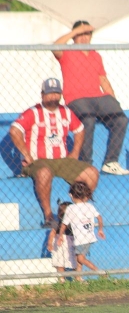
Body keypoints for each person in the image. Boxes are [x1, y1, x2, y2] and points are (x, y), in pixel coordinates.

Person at [10, 78, 99, 229]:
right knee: (44, 173)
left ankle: (79, 213)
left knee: (92, 173)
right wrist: (26, 154)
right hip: (38, 161)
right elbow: (14, 130)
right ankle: (49, 216)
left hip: (62, 160)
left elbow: (79, 130)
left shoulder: (66, 112)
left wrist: (75, 152)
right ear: (42, 94)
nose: (53, 97)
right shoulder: (33, 112)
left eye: (56, 93)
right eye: (50, 93)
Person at [52, 21, 129, 174]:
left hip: (98, 97)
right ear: (74, 37)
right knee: (88, 120)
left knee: (121, 119)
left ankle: (110, 162)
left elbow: (103, 80)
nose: (84, 37)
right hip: (76, 98)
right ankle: (86, 164)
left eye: (87, 34)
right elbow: (55, 47)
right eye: (80, 34)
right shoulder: (66, 52)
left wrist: (114, 101)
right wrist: (75, 31)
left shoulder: (96, 55)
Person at [58, 181, 104, 282]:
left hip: (81, 239)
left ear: (71, 195)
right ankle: (78, 277)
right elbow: (99, 217)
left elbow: (64, 224)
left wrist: (60, 235)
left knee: (80, 259)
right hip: (89, 237)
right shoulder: (89, 206)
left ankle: (100, 272)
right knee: (78, 257)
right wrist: (100, 229)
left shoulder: (70, 208)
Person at [47, 201, 76, 280]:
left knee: (73, 261)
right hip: (60, 243)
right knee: (60, 262)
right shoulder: (57, 221)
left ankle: (77, 277)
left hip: (70, 242)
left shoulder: (74, 221)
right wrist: (50, 243)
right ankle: (62, 278)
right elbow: (52, 233)